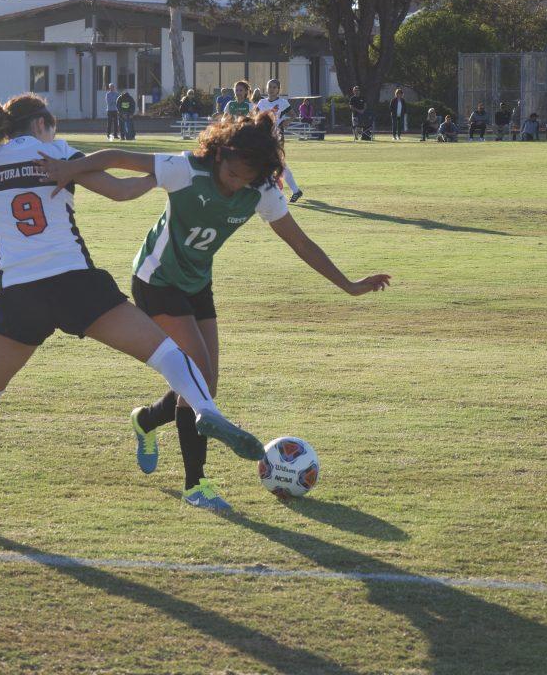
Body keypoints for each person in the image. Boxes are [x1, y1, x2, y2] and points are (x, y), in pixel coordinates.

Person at [0, 94, 267, 514]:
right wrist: (162, 178)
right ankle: (204, 409)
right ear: (41, 125)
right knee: (168, 354)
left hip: (19, 293)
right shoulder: (57, 152)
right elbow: (121, 192)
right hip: (76, 285)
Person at [35, 113, 390, 510]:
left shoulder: (262, 191)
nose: (236, 183)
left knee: (206, 384)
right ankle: (195, 484)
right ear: (219, 154)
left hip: (197, 283)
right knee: (198, 375)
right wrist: (71, 168)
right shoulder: (186, 168)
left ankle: (147, 420)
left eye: (245, 177)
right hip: (157, 280)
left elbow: (301, 244)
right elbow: (120, 155)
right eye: (232, 172)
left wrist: (349, 285)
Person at [255, 78, 303, 202]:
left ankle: (293, 190)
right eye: (269, 86)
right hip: (264, 136)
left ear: (278, 90)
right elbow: (255, 117)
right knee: (270, 163)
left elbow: (293, 115)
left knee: (278, 163)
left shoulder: (283, 102)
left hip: (277, 136)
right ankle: (285, 190)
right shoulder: (261, 103)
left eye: (274, 87)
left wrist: (287, 121)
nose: (271, 89)